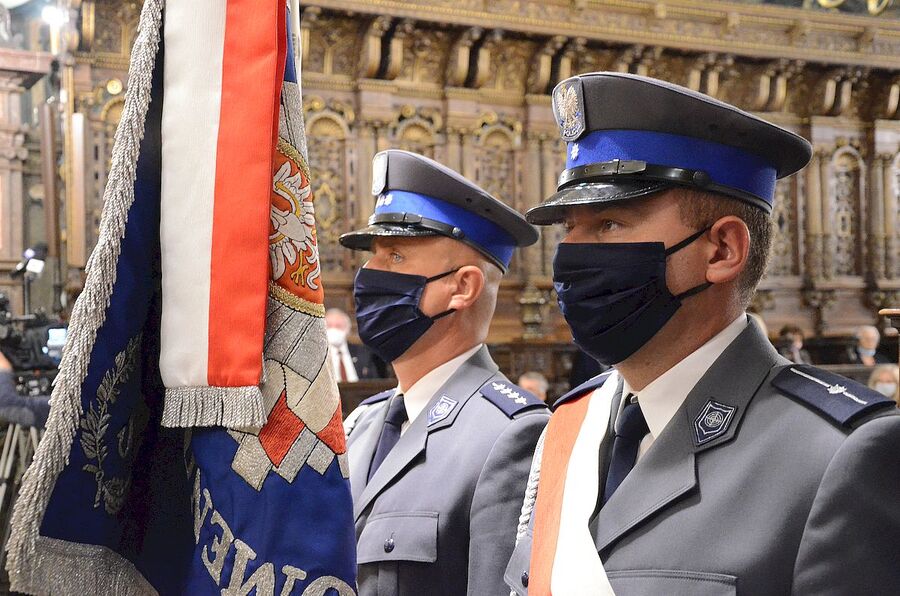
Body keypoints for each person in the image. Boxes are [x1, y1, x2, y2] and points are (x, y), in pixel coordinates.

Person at [504, 72, 900, 595]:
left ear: (721, 251)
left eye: (609, 225)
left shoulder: (838, 454)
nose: (570, 256)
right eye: (569, 229)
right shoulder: (569, 427)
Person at [340, 149, 550, 595]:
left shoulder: (510, 437)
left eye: (394, 257)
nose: (367, 275)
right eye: (372, 256)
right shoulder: (362, 424)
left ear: (462, 287)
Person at [325, 307, 386, 380]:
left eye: (338, 326)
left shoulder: (364, 353)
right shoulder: (317, 356)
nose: (334, 330)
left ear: (347, 328)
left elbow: (376, 382)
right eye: (329, 326)